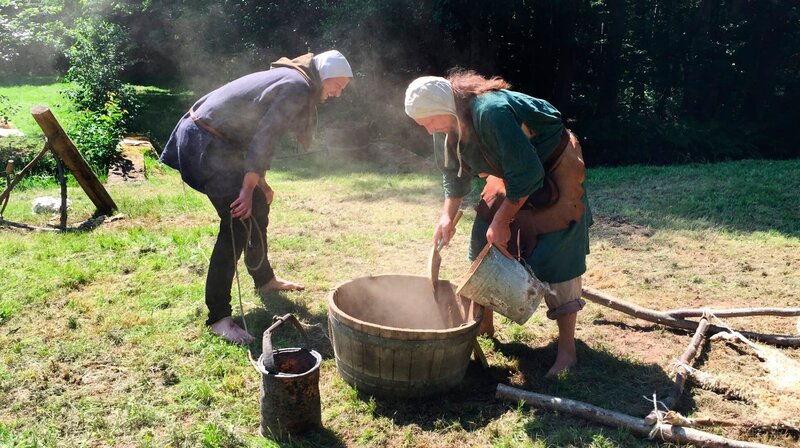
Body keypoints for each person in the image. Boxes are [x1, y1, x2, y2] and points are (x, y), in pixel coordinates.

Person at [404, 71, 592, 377]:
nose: (427, 130)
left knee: (557, 260)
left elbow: (529, 173)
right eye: (421, 123)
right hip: (514, 173)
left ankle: (567, 351)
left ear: (444, 105)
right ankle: (484, 325)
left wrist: (503, 221)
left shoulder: (490, 113)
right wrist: (446, 216)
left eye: (428, 120)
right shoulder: (444, 127)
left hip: (554, 171)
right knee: (481, 244)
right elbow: (453, 176)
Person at [160, 50, 353, 344]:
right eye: (337, 85)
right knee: (238, 219)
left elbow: (252, 129)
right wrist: (247, 189)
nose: (338, 94)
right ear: (324, 76)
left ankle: (264, 280)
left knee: (258, 206)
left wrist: (258, 182)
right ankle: (219, 318)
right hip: (206, 142)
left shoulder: (294, 78)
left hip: (219, 142)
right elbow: (267, 137)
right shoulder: (297, 86)